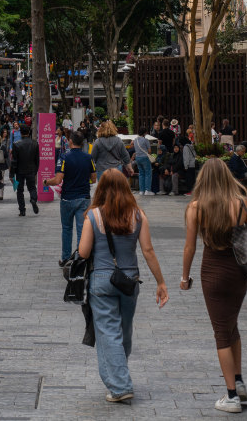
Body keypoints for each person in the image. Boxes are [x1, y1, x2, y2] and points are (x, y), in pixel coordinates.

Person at [78, 169, 169, 403]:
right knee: (124, 331)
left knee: (108, 332)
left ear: (101, 188)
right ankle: (120, 375)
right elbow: (148, 251)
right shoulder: (138, 215)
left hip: (101, 280)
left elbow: (83, 252)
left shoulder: (93, 215)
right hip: (129, 281)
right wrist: (160, 282)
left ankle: (120, 385)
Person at [181, 158, 247, 413]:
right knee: (232, 325)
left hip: (212, 271)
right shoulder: (240, 203)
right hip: (238, 272)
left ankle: (231, 396)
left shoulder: (196, 207)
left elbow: (190, 246)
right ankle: (238, 382)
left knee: (221, 332)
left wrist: (185, 277)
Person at [44, 131, 96, 267]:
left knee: (67, 229)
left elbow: (57, 180)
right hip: (84, 198)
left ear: (71, 142)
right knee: (82, 229)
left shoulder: (64, 157)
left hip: (68, 198)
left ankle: (66, 258)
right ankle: (81, 258)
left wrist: (45, 182)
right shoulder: (88, 157)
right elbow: (94, 178)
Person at [9, 125, 40, 217]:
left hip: (19, 171)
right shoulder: (35, 143)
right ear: (29, 132)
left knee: (20, 190)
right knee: (32, 187)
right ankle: (33, 199)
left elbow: (14, 161)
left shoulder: (16, 144)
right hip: (31, 169)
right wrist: (35, 170)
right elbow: (37, 159)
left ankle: (22, 210)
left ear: (20, 132)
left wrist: (11, 174)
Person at [131, 127, 154, 196]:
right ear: (145, 133)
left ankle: (141, 190)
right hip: (145, 158)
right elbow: (149, 151)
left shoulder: (135, 140)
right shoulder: (145, 140)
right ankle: (147, 190)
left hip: (137, 158)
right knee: (148, 173)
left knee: (141, 174)